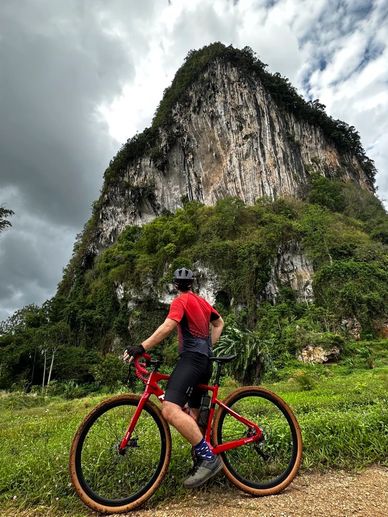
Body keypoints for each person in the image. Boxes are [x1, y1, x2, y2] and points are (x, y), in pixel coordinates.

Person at [124, 267, 224, 488]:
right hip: (205, 361)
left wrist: (141, 347)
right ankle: (201, 461)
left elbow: (168, 326)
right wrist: (209, 346)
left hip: (192, 360)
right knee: (194, 414)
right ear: (192, 284)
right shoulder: (203, 302)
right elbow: (219, 323)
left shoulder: (180, 301)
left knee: (169, 409)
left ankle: (209, 458)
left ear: (175, 285)